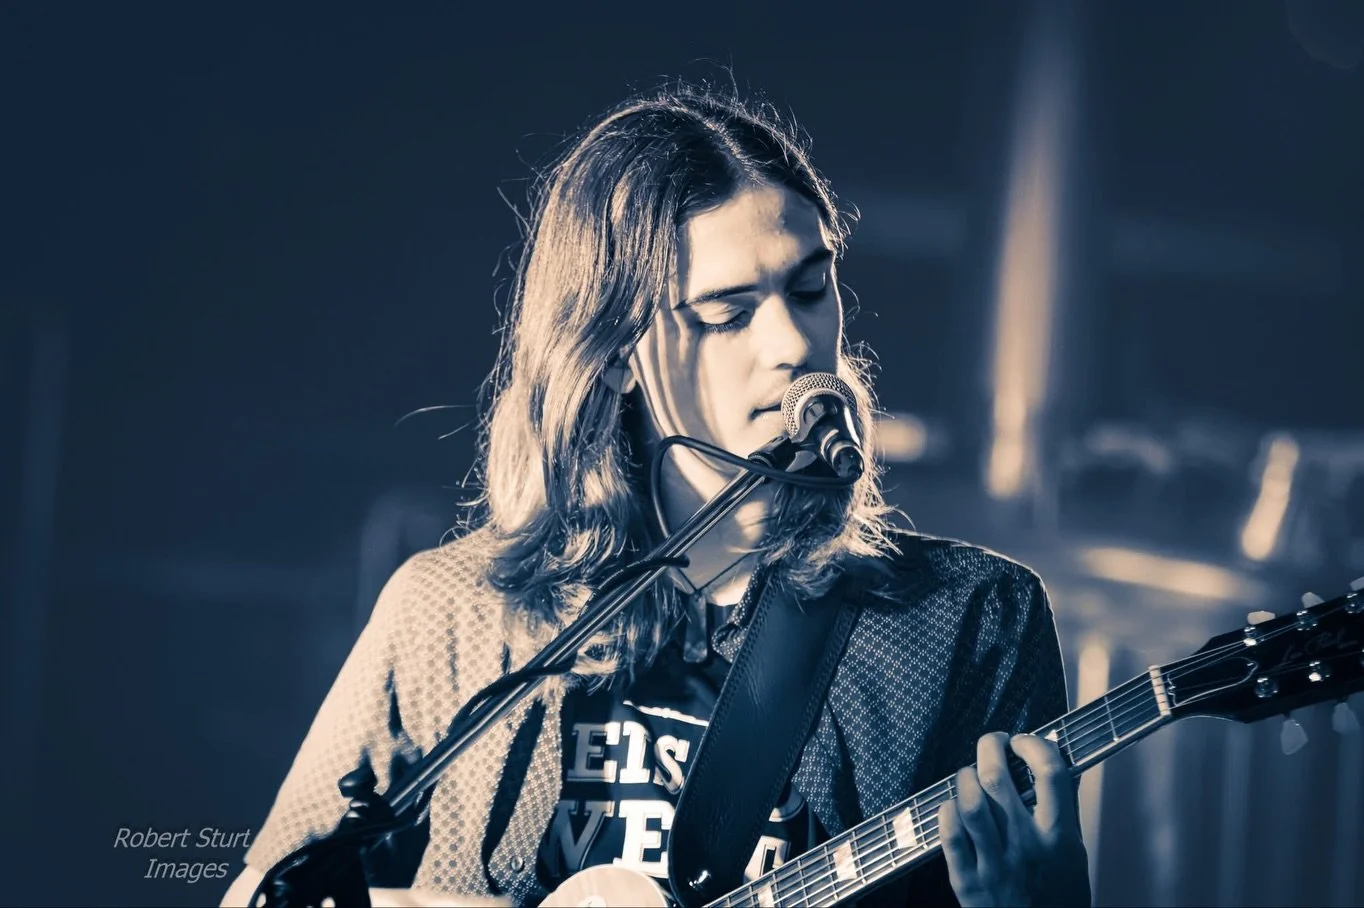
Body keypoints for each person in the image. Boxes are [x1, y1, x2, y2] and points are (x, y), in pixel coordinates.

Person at [220, 80, 1091, 908]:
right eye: (726, 312)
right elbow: (266, 893)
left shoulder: (967, 621)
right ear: (610, 352)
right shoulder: (450, 613)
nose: (791, 341)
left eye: (809, 288)